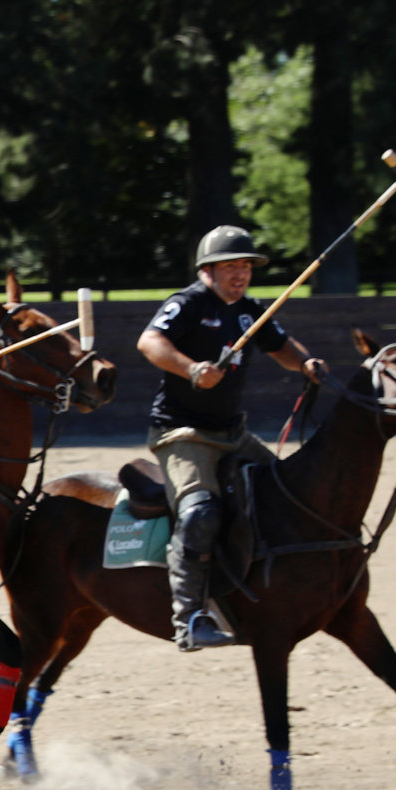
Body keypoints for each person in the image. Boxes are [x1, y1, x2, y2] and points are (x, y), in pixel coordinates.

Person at [136, 225, 329, 650]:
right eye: (230, 267)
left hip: (232, 433)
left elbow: (279, 345)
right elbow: (149, 342)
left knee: (283, 493)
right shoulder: (187, 303)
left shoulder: (249, 310)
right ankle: (189, 618)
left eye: (245, 266)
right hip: (182, 434)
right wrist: (190, 369)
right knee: (199, 513)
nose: (240, 274)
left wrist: (305, 363)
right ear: (207, 270)